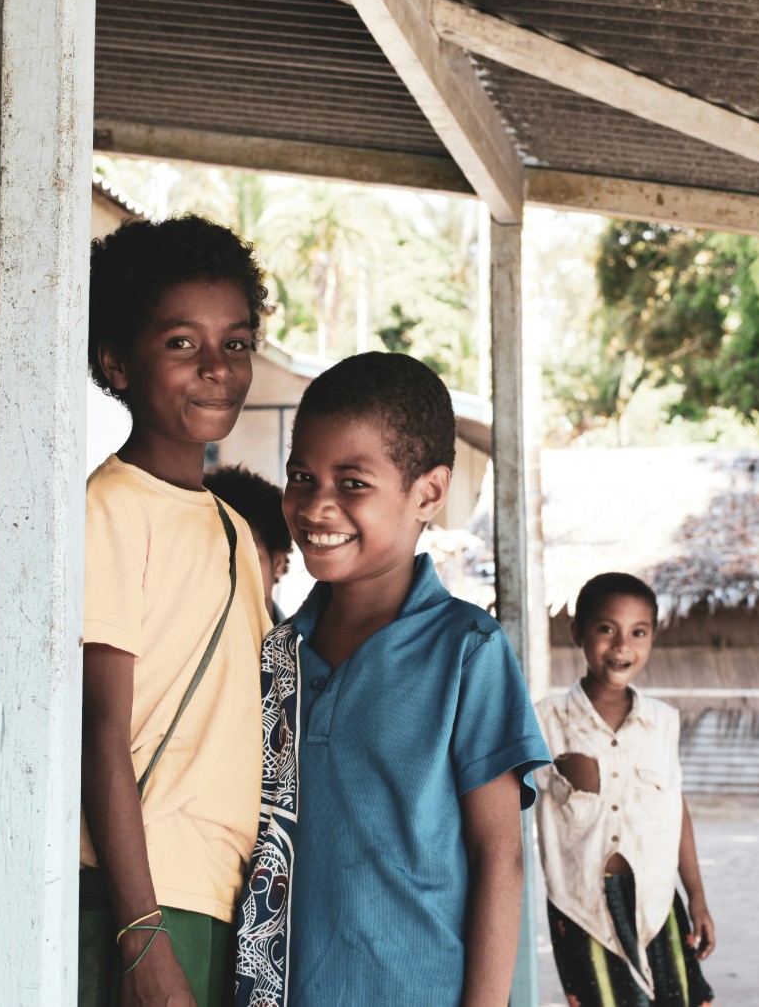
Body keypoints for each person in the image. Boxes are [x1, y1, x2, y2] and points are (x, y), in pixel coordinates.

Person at [233, 352, 551, 1007]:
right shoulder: (276, 654)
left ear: (428, 494)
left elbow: (501, 859)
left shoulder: (468, 653)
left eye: (352, 483)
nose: (317, 504)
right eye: (301, 475)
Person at [80, 215, 272, 1006]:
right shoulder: (111, 507)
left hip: (226, 892)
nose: (216, 368)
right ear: (117, 362)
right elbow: (100, 727)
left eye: (236, 341)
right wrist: (142, 932)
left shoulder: (233, 528)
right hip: (144, 894)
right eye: (182, 343)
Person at [535, 572, 716, 1007]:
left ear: (653, 637)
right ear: (577, 632)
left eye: (638, 632)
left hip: (656, 899)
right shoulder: (545, 722)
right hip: (582, 905)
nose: (622, 646)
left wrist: (698, 898)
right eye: (606, 629)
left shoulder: (662, 722)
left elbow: (676, 811)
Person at [203, 464, 292, 621]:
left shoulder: (309, 644)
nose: (232, 573)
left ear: (277, 564)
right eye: (220, 558)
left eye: (247, 557)